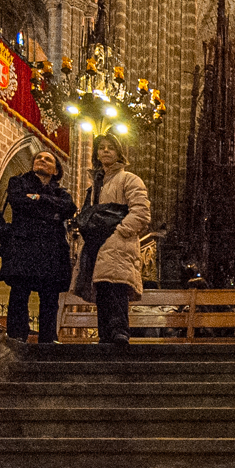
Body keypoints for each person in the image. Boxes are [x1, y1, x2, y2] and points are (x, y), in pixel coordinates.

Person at [74, 133, 150, 345]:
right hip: (96, 244)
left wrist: (120, 231)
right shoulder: (95, 186)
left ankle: (119, 332)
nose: (105, 151)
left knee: (116, 287)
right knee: (103, 290)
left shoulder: (129, 179)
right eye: (101, 148)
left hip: (117, 242)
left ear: (119, 153)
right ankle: (105, 335)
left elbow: (141, 212)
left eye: (111, 147)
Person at [0, 149, 76, 344]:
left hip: (51, 251)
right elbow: (18, 201)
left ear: (56, 170)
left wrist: (37, 198)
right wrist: (49, 207)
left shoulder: (61, 192)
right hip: (24, 247)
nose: (41, 160)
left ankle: (48, 341)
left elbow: (69, 208)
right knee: (19, 295)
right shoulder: (18, 182)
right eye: (38, 158)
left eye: (47, 159)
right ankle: (17, 338)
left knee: (49, 299)